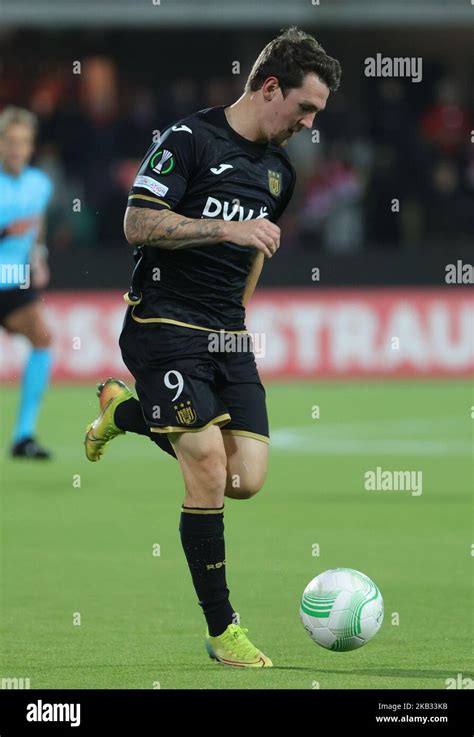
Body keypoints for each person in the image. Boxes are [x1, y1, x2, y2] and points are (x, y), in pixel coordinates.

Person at [85, 27, 341, 666]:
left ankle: (122, 413)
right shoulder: (188, 139)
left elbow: (254, 252)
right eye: (304, 109)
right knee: (202, 468)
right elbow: (136, 222)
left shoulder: (279, 174)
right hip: (163, 321)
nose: (308, 124)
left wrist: (240, 321)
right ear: (270, 87)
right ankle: (224, 631)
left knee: (243, 479)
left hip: (226, 332)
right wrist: (224, 227)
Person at [0, 106, 54, 459]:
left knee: (43, 337)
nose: (17, 149)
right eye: (10, 141)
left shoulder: (40, 185)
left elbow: (38, 229)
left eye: (24, 142)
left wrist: (40, 257)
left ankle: (23, 436)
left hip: (13, 281)